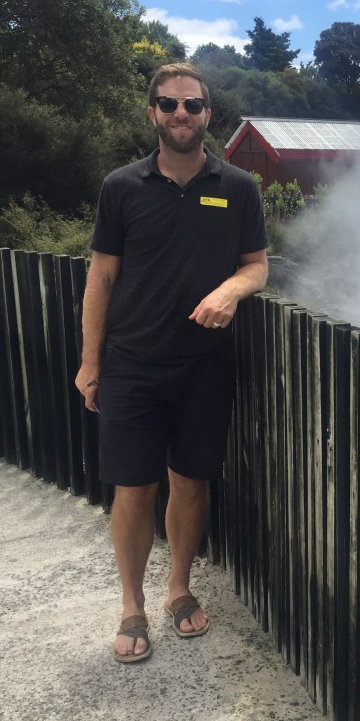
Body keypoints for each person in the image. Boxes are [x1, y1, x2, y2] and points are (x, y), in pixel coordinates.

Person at [75, 63, 268, 663]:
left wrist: (230, 290)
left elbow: (257, 265)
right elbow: (102, 277)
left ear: (209, 113)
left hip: (205, 366)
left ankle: (178, 588)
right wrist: (89, 363)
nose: (180, 113)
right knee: (133, 487)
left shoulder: (238, 186)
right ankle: (132, 605)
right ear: (152, 113)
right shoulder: (121, 187)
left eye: (191, 104)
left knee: (190, 480)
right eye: (168, 104)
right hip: (131, 364)